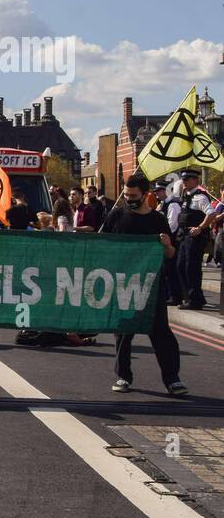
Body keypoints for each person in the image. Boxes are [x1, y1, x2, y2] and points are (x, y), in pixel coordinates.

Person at [99, 172, 186, 395]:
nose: (129, 198)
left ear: (146, 194)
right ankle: (123, 377)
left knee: (161, 333)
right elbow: (101, 247)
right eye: (126, 194)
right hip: (122, 284)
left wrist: (166, 244)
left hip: (151, 285)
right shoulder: (116, 216)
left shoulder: (158, 220)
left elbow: (170, 254)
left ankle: (172, 379)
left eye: (133, 195)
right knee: (123, 333)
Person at [174, 169, 213, 310]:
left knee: (191, 267)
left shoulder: (200, 197)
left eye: (187, 179)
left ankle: (194, 300)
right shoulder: (187, 195)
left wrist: (200, 228)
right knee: (180, 265)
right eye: (183, 179)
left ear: (195, 180)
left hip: (195, 238)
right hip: (185, 236)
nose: (184, 182)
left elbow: (211, 214)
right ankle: (195, 297)